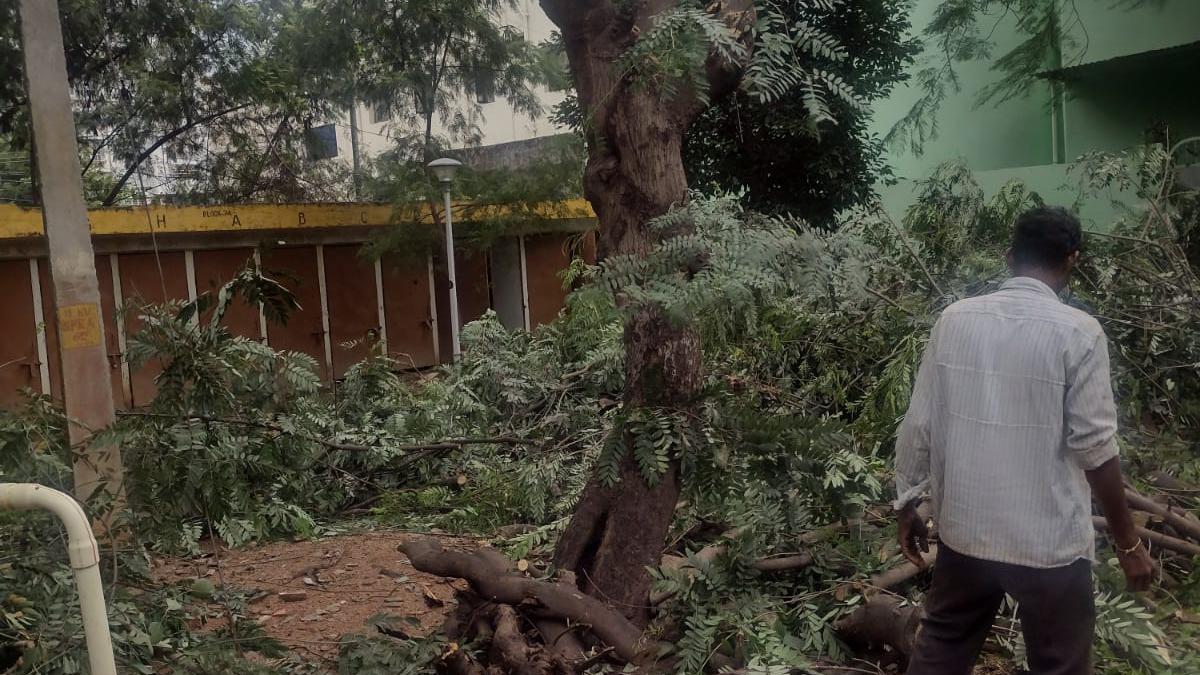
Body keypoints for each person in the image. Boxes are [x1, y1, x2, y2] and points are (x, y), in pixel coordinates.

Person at [892, 206, 1154, 675]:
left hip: (967, 533)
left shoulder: (954, 320)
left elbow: (919, 423)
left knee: (942, 648)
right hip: (1048, 546)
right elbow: (1096, 448)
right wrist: (1129, 544)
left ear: (1009, 255)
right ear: (1072, 259)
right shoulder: (1079, 333)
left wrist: (908, 502)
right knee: (1061, 663)